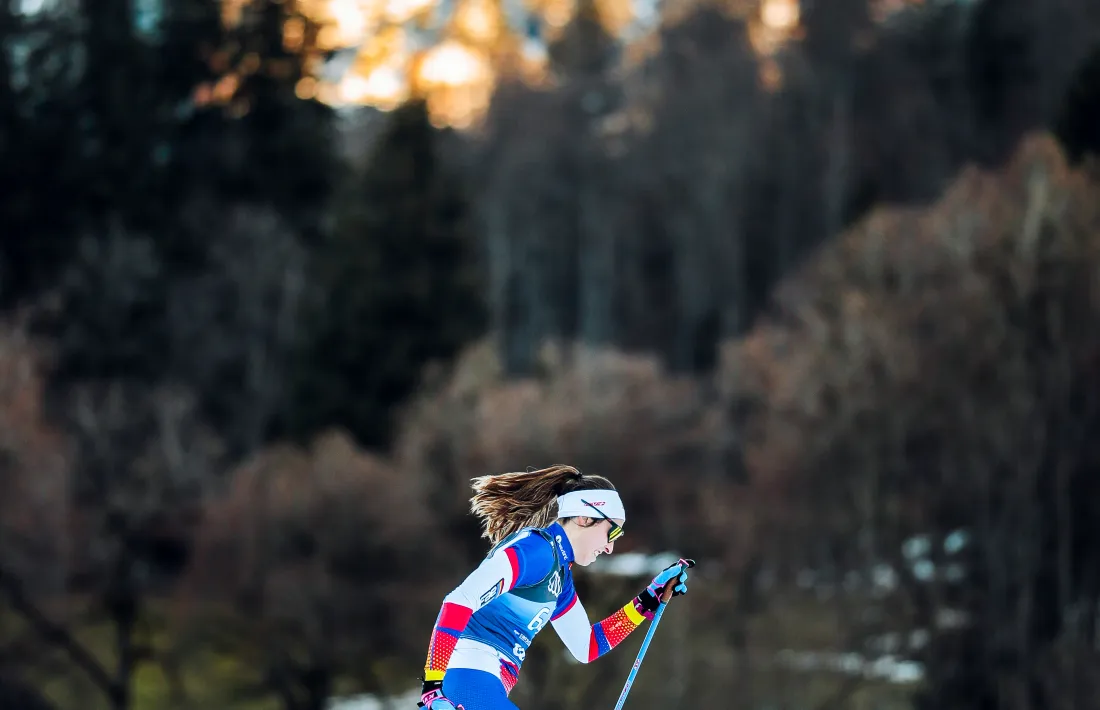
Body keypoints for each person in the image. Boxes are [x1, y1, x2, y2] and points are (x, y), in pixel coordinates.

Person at [418, 464, 692, 710]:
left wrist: (647, 601)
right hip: (466, 679)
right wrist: (433, 687)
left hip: (486, 684)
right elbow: (459, 601)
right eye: (613, 532)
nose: (610, 547)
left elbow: (587, 646)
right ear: (585, 518)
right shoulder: (534, 549)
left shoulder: (559, 576)